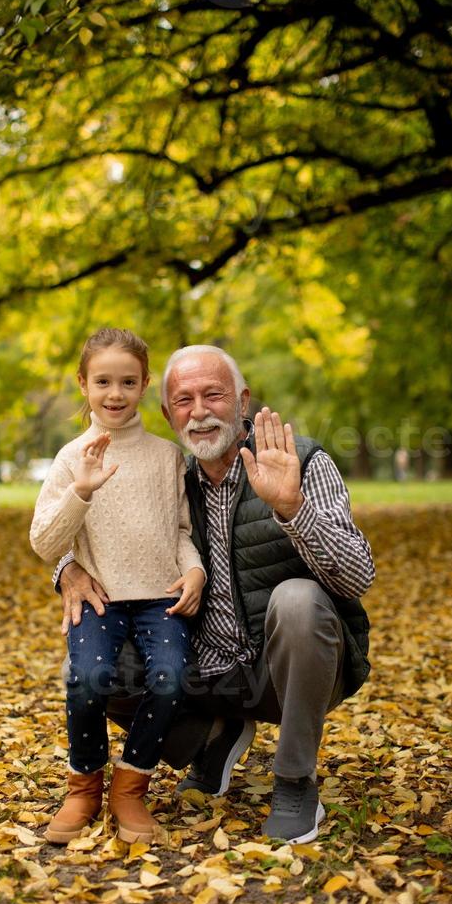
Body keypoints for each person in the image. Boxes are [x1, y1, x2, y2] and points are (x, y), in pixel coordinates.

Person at [57, 345, 375, 845]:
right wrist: (66, 569)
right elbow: (100, 529)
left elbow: (358, 577)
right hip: (203, 673)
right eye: (183, 400)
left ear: (243, 400)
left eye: (214, 395)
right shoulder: (168, 477)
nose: (200, 411)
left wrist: (292, 509)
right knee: (94, 662)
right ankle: (211, 739)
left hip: (288, 672)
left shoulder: (300, 462)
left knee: (296, 599)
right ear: (167, 414)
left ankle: (295, 781)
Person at [29, 328, 205, 845]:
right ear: (82, 384)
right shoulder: (70, 458)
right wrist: (80, 492)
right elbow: (44, 541)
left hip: (160, 597)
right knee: (87, 680)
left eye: (128, 381)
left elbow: (179, 530)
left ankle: (131, 785)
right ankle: (84, 785)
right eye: (103, 381)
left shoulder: (167, 455)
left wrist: (193, 570)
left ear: (145, 384)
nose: (115, 393)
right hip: (100, 597)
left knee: (171, 677)